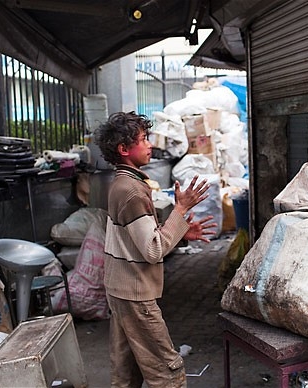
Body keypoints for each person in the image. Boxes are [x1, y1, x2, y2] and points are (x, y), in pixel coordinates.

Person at [93, 111, 217, 388]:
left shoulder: (125, 184)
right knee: (166, 371)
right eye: (143, 139)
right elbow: (152, 250)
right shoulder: (132, 192)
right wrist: (181, 210)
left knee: (127, 371)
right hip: (135, 294)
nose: (150, 145)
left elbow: (138, 241)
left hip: (120, 289)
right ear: (124, 149)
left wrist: (182, 232)